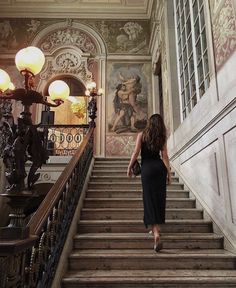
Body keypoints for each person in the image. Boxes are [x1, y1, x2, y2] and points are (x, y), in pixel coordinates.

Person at [127, 113, 171, 252]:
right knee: (159, 199)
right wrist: (169, 174)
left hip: (147, 170)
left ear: (149, 123)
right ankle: (156, 228)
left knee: (149, 200)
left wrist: (129, 167)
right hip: (160, 169)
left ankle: (156, 232)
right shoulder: (161, 138)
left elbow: (135, 153)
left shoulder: (141, 135)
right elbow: (165, 157)